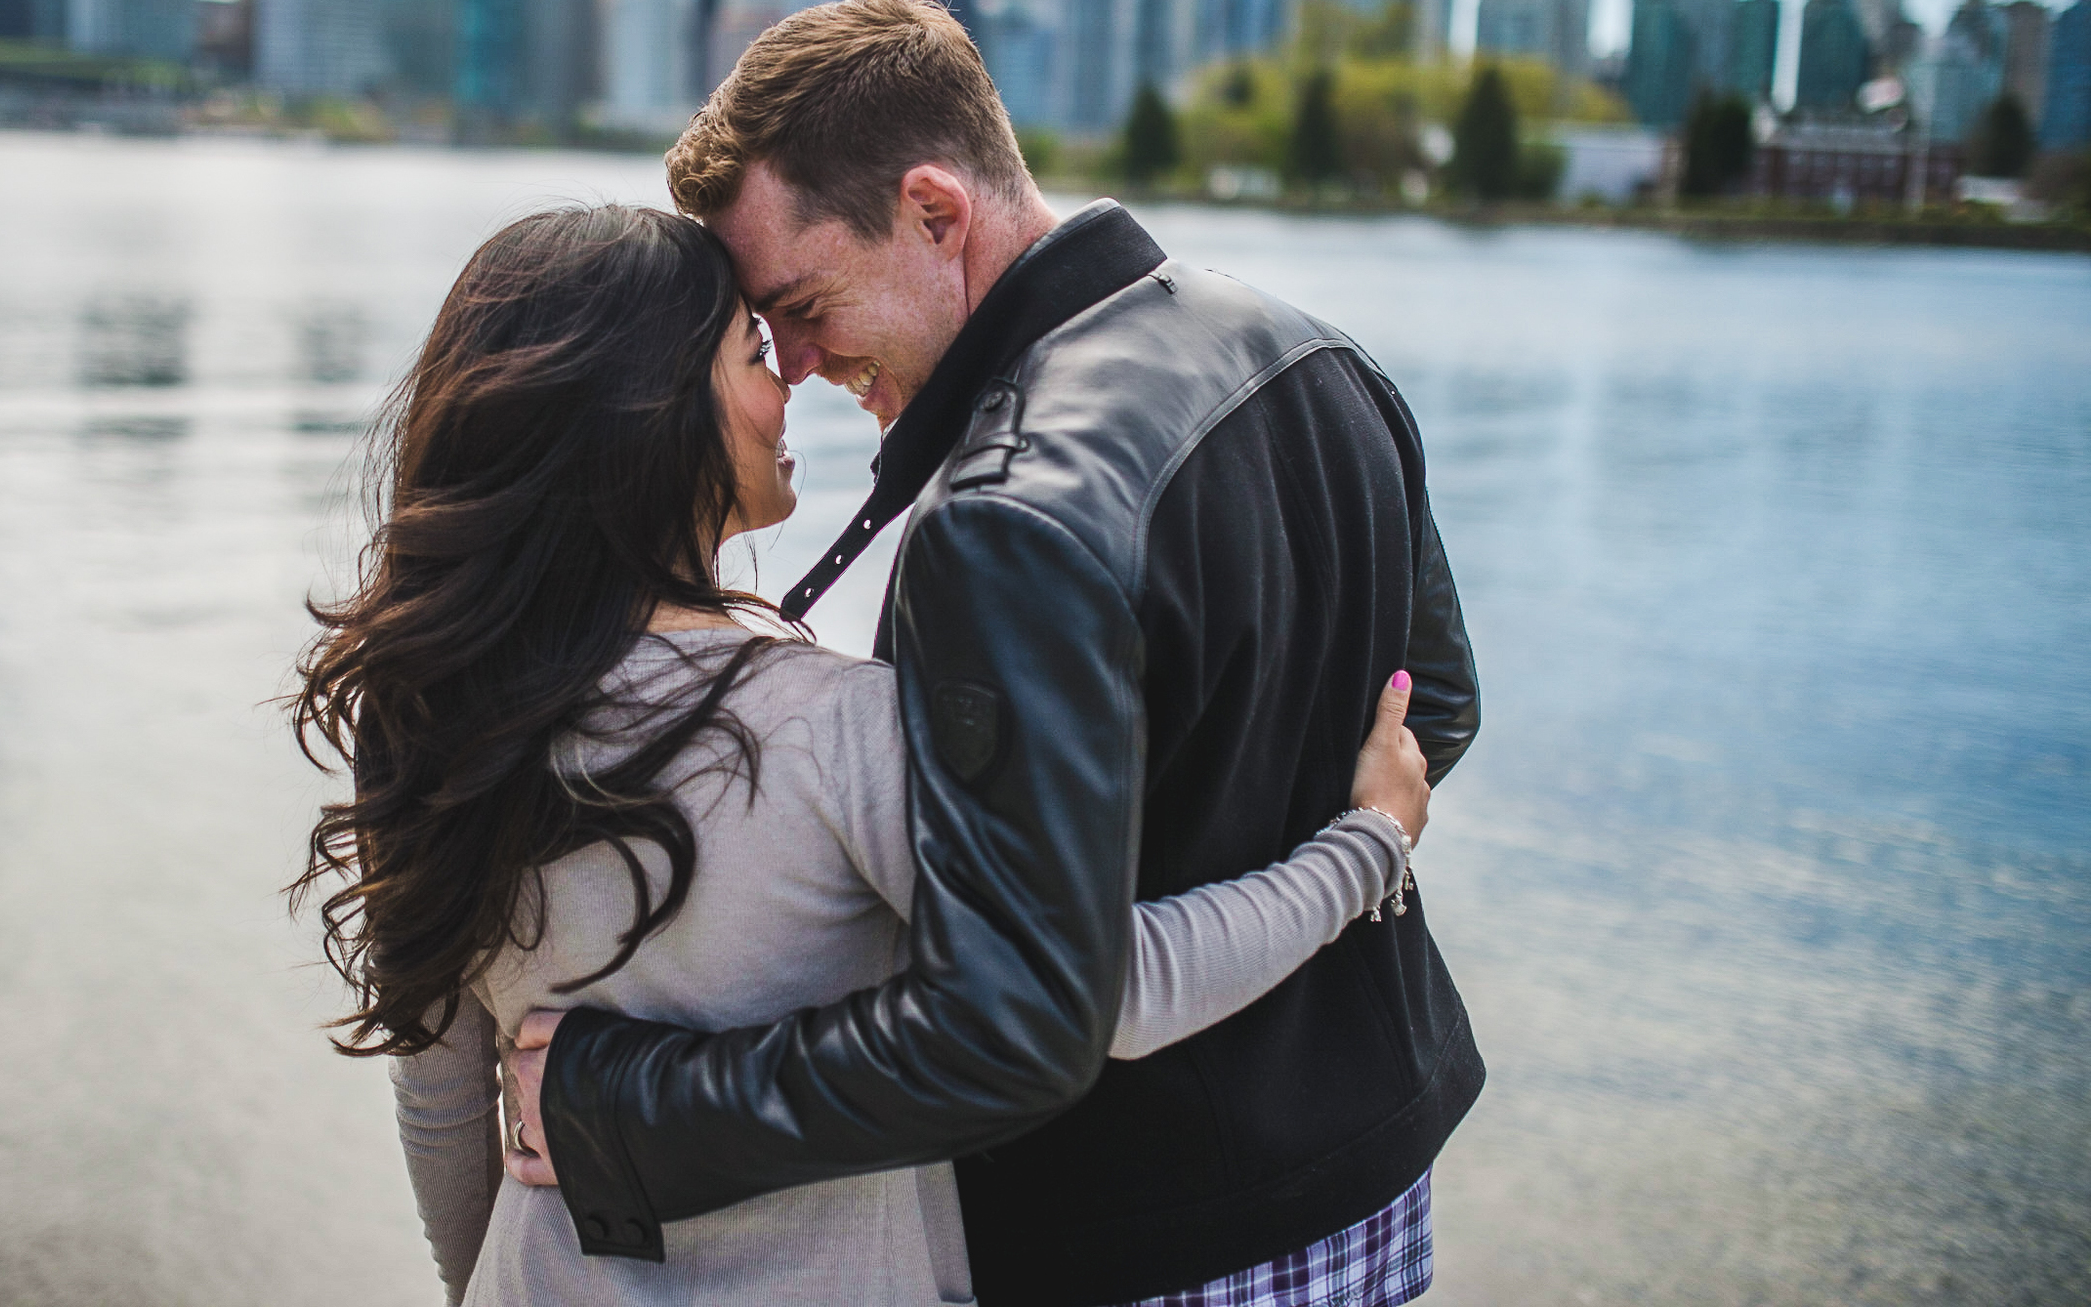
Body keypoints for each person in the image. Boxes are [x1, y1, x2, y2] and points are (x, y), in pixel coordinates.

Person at [501, 0, 1483, 1307]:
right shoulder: (1314, 354)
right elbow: (1434, 709)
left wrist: (616, 1111)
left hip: (1157, 1240)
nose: (787, 364)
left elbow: (1009, 1035)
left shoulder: (1004, 521)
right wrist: (1347, 845)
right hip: (1379, 1176)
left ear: (934, 212)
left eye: (800, 301)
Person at [290, 202, 1435, 1305]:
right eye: (752, 352)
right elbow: (1103, 993)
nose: (789, 379)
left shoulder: (427, 713)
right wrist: (1363, 846)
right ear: (656, 415)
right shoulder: (831, 727)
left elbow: (439, 1106)